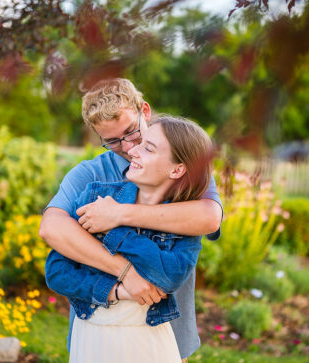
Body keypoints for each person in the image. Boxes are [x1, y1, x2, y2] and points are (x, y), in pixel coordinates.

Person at [39, 78, 223, 361]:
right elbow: (52, 228)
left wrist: (119, 214)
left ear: (144, 111)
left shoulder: (181, 159)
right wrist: (125, 275)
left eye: (131, 132)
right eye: (112, 140)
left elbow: (209, 217)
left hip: (165, 329)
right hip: (97, 327)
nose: (127, 147)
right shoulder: (90, 177)